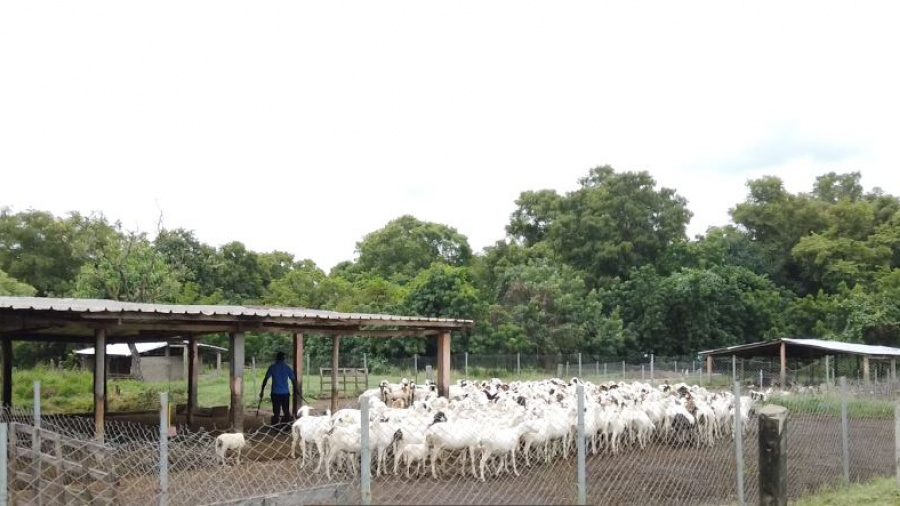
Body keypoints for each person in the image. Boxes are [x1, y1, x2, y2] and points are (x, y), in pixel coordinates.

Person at [260, 351, 296, 425]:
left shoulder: (272, 367)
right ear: (283, 359)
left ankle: (276, 427)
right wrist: (296, 389)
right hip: (285, 393)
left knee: (276, 411)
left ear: (276, 358)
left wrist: (262, 390)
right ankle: (287, 426)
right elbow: (293, 379)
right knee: (286, 410)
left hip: (275, 393)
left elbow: (265, 379)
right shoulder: (287, 368)